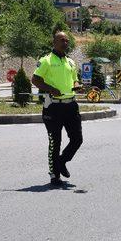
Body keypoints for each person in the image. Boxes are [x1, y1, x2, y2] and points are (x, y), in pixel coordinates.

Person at [31, 31, 84, 186]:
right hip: (53, 106)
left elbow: (75, 80)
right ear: (54, 42)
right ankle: (55, 176)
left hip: (71, 105)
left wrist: (77, 86)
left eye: (67, 41)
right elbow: (35, 79)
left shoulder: (71, 62)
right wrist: (51, 89)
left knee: (77, 139)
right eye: (62, 40)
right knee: (55, 141)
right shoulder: (46, 61)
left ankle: (61, 162)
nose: (65, 43)